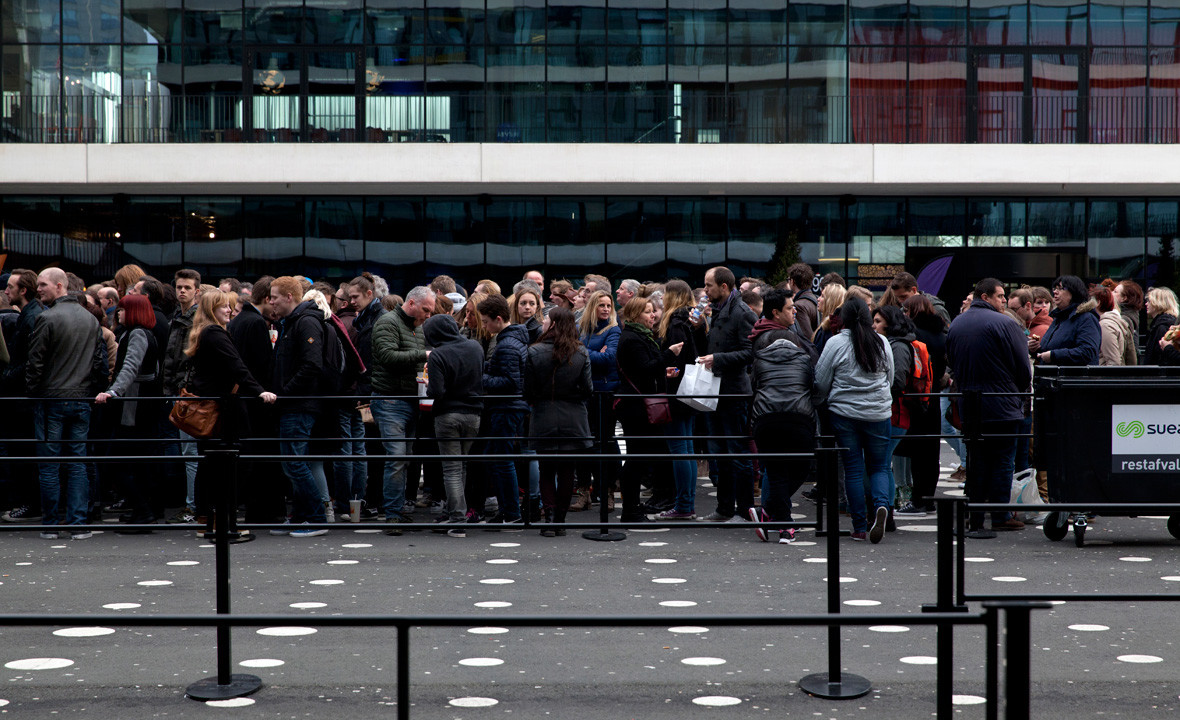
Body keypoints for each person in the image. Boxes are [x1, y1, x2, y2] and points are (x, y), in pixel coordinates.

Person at [184, 291, 276, 539]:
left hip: (215, 407)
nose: (230, 310)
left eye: (230, 306)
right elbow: (237, 367)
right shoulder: (215, 333)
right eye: (224, 307)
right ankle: (224, 524)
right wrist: (260, 391)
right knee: (231, 467)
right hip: (223, 411)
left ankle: (214, 522)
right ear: (212, 310)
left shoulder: (206, 332)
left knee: (216, 466)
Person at [946, 278, 1032, 536]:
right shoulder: (1006, 323)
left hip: (970, 403)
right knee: (1003, 459)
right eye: (1000, 296)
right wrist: (1021, 395)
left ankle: (976, 513)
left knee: (977, 459)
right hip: (1002, 403)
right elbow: (1021, 367)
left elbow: (952, 361)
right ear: (985, 297)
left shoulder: (957, 323)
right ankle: (1000, 515)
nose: (1004, 300)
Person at [27, 268, 101, 540]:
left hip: (51, 400)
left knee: (49, 464)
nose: (39, 289)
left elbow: (35, 364)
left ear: (60, 286)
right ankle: (78, 524)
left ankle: (50, 524)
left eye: (43, 284)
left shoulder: (46, 318)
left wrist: (33, 393)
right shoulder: (90, 320)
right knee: (77, 462)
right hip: (80, 398)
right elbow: (97, 364)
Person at [815, 296, 894, 543]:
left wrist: (821, 401)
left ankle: (860, 526)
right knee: (880, 467)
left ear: (844, 318)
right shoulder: (881, 342)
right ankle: (882, 506)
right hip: (879, 413)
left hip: (845, 414)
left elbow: (821, 381)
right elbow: (890, 378)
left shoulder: (835, 343)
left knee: (853, 468)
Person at [749, 292, 821, 543]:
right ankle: (784, 524)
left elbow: (753, 387)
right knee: (800, 468)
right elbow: (816, 388)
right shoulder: (804, 359)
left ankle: (770, 512)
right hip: (798, 418)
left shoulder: (759, 357)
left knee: (777, 470)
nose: (795, 313)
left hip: (766, 419)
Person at [269, 276, 331, 538]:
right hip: (296, 403)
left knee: (294, 462)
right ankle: (303, 516)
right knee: (292, 462)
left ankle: (315, 518)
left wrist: (285, 393)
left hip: (299, 404)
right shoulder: (296, 322)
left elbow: (312, 365)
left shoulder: (304, 322)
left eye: (274, 296)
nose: (270, 300)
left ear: (289, 297)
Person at [370, 285, 434, 535]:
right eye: (426, 310)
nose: (428, 316)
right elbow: (387, 356)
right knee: (397, 457)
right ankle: (393, 514)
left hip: (408, 399)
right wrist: (424, 354)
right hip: (390, 400)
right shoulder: (388, 322)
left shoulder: (415, 325)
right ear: (411, 303)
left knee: (403, 457)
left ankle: (395, 509)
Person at [524, 307, 594, 536]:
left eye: (545, 319)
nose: (542, 322)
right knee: (566, 470)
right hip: (573, 415)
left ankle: (550, 517)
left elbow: (529, 391)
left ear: (553, 323)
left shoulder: (534, 352)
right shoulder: (581, 351)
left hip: (544, 413)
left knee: (546, 469)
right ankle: (560, 520)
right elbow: (587, 389)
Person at [94, 294, 161, 530]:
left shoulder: (137, 334)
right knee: (136, 462)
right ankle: (142, 510)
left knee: (117, 461)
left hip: (133, 406)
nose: (118, 313)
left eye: (122, 310)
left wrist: (114, 392)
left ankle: (142, 511)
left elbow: (131, 366)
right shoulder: (145, 334)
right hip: (141, 405)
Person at [695, 266, 756, 523]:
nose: (705, 290)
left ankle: (743, 510)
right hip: (716, 390)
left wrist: (717, 358)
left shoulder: (742, 313)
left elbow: (751, 351)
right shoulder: (717, 310)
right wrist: (698, 326)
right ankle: (724, 509)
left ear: (724, 287)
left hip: (733, 393)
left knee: (736, 453)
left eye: (708, 286)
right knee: (720, 453)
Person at [615, 295, 684, 523]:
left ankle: (633, 507)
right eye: (647, 311)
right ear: (635, 315)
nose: (652, 315)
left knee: (641, 457)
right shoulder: (633, 338)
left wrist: (662, 371)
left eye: (653, 311)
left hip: (639, 404)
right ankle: (630, 510)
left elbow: (642, 370)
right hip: (636, 408)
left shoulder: (639, 336)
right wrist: (669, 355)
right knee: (637, 458)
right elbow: (644, 368)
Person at [423, 313, 484, 538]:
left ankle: (457, 519)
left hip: (448, 414)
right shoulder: (475, 347)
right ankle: (457, 511)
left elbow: (437, 392)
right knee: (463, 466)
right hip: (474, 414)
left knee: (451, 468)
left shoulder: (438, 354)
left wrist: (428, 386)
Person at [478, 295, 529, 528]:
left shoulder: (507, 345)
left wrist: (481, 379)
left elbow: (509, 382)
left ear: (498, 319)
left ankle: (511, 512)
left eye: (486, 321)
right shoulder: (513, 340)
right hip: (509, 407)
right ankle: (508, 510)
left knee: (502, 460)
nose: (485, 326)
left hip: (506, 407)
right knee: (497, 457)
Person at [0, 269, 46, 524]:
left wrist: (7, 377)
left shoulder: (31, 318)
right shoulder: (30, 316)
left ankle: (30, 503)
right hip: (21, 395)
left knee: (23, 453)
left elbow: (29, 361)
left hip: (21, 398)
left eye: (10, 287)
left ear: (23, 290)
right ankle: (29, 502)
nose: (6, 291)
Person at [895, 294, 948, 516]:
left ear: (912, 312)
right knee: (931, 452)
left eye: (905, 311)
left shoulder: (914, 336)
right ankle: (928, 498)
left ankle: (917, 501)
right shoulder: (940, 334)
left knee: (917, 451)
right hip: (934, 395)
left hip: (917, 397)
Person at [654, 280, 700, 520]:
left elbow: (677, 361)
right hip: (689, 392)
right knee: (687, 449)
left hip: (676, 392)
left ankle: (683, 505)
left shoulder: (675, 324)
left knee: (680, 450)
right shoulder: (690, 321)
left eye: (664, 294)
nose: (661, 298)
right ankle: (686, 504)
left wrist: (667, 369)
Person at [573, 290, 621, 513]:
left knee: (606, 443)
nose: (605, 309)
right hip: (583, 393)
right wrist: (592, 352)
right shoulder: (581, 329)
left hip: (604, 392)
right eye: (601, 305)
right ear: (592, 306)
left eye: (608, 305)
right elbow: (571, 353)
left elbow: (609, 357)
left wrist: (583, 351)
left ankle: (608, 492)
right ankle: (584, 492)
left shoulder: (613, 330)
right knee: (583, 444)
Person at [872, 304, 916, 523]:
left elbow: (897, 380)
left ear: (890, 323)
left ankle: (885, 510)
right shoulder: (894, 343)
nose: (874, 326)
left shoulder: (897, 346)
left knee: (881, 462)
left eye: (878, 321)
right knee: (882, 462)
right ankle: (884, 510)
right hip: (893, 411)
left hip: (895, 412)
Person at [1031, 275, 1100, 366]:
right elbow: (1049, 351)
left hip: (1072, 379)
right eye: (1054, 288)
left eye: (1060, 288)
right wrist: (1035, 350)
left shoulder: (1086, 318)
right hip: (1054, 378)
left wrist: (1053, 355)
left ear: (1074, 292)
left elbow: (1087, 352)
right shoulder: (1059, 318)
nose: (1055, 292)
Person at [1091, 285, 1135, 366]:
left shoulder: (1105, 325)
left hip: (1105, 377)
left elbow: (1113, 363)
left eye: (1091, 301)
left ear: (1098, 303)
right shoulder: (1114, 321)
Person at [1142, 287, 1180, 365]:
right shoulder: (1162, 324)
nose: (1146, 304)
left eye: (1149, 300)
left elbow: (1160, 357)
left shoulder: (1162, 326)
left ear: (1159, 302)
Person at [786, 262, 819, 342]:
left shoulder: (799, 306)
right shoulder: (816, 298)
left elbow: (805, 338)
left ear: (792, 281)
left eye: (788, 279)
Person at [1113, 279, 1144, 347]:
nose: (1111, 293)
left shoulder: (1125, 319)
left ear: (1124, 298)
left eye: (1115, 292)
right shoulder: (1131, 314)